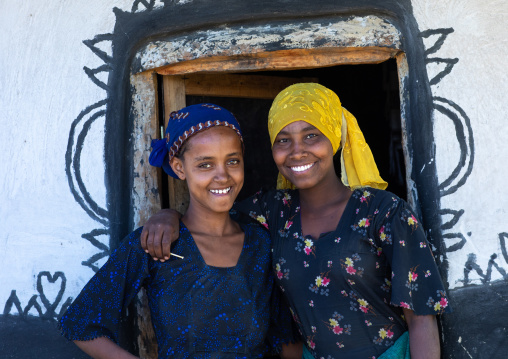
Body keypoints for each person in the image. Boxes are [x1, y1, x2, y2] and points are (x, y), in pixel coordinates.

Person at [141, 84, 451, 359]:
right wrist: (169, 214)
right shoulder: (274, 212)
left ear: (334, 137)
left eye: (311, 136)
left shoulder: (384, 212)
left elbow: (421, 317)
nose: (297, 151)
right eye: (283, 139)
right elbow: (210, 213)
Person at [59, 103, 297, 359]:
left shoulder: (259, 243)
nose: (223, 176)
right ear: (179, 167)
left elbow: (285, 339)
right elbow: (80, 323)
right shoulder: (156, 244)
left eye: (232, 161)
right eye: (205, 165)